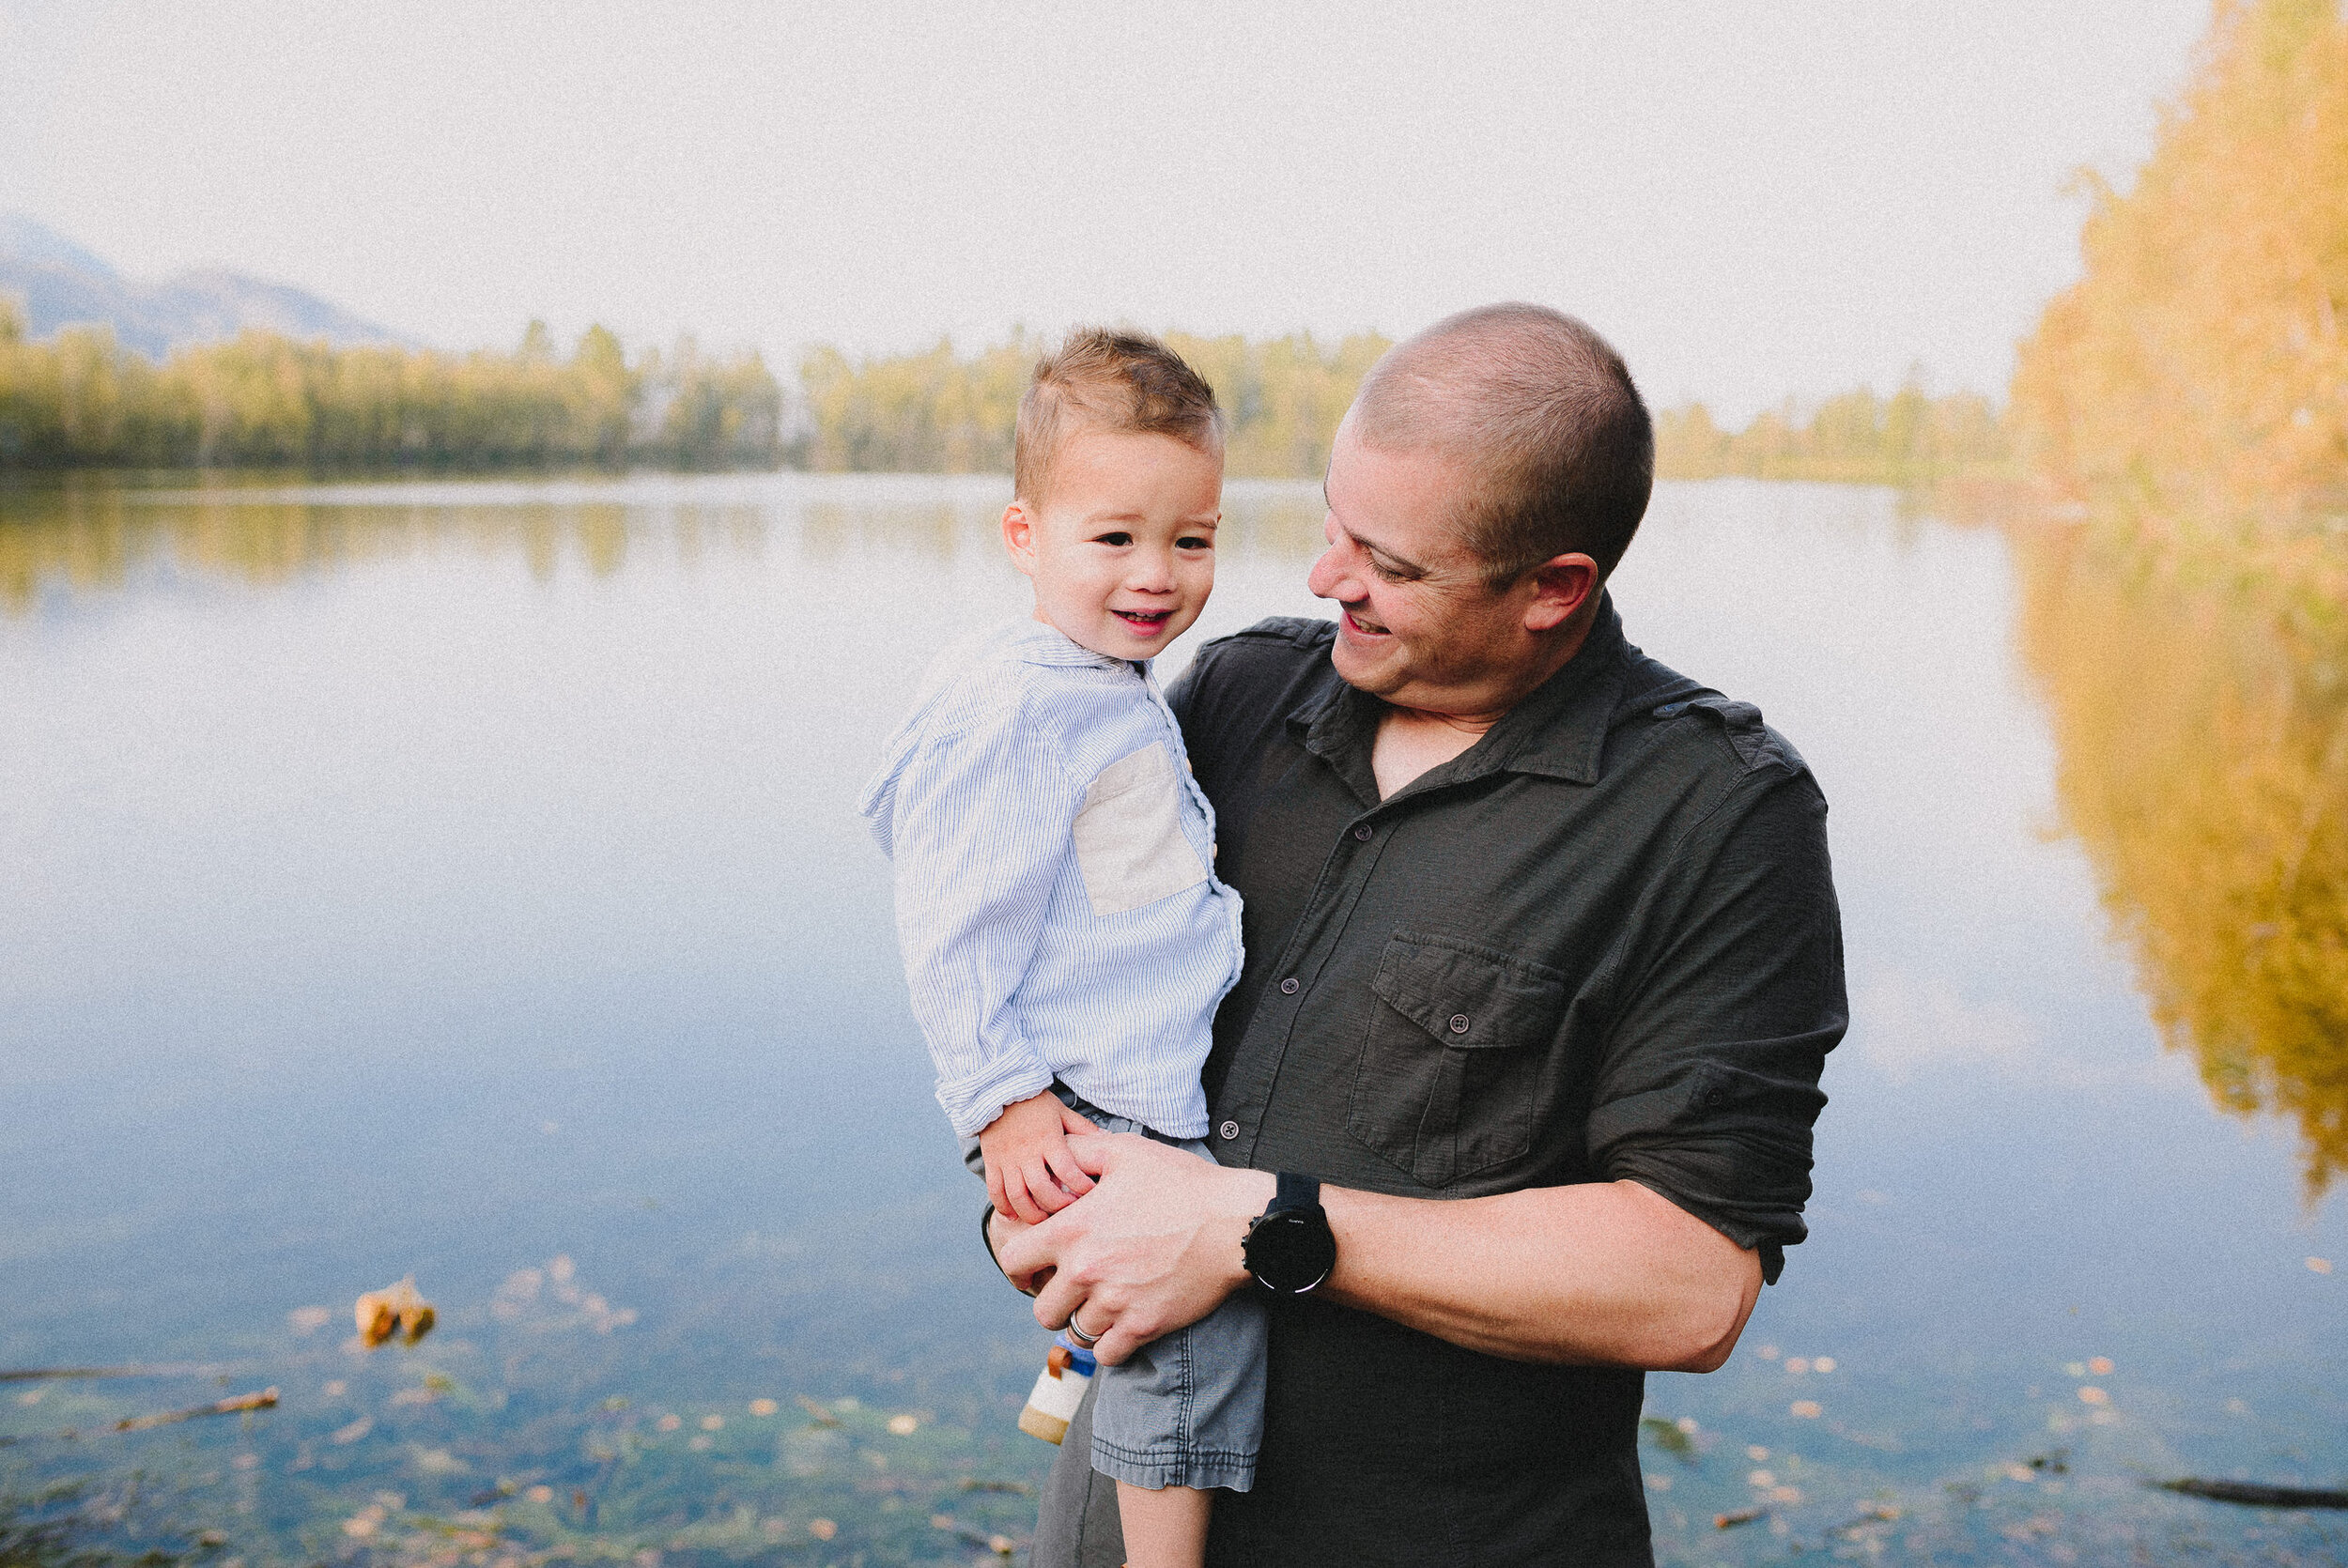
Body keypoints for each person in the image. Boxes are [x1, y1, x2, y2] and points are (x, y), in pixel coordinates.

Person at [993, 303, 1847, 1568]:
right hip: (1116, 1530)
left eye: (1388, 562)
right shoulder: (1229, 696)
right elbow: (1052, 984)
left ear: (1554, 588)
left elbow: (1690, 1281)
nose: (1326, 576)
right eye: (1333, 523)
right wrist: (1025, 1195)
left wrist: (1256, 1225)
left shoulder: (1718, 814)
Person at [857, 328, 1265, 1568]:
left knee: (1131, 1311)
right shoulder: (1022, 699)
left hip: (1123, 1069)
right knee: (1190, 1327)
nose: (1156, 574)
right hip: (1097, 1091)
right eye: (1114, 538)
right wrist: (1005, 1101)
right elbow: (950, 913)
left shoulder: (1093, 672)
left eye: (1190, 540)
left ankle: (1077, 1359)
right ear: (1023, 536)